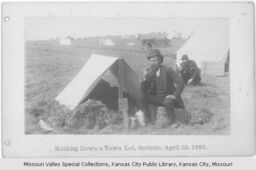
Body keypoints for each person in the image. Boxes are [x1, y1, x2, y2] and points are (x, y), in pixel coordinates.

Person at [140, 49, 185, 126]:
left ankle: (172, 122)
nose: (153, 63)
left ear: (160, 60)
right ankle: (148, 120)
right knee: (142, 97)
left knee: (168, 101)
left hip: (168, 98)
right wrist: (144, 78)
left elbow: (181, 82)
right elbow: (143, 91)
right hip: (157, 99)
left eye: (155, 60)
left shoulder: (168, 70)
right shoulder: (150, 73)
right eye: (151, 61)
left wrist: (174, 95)